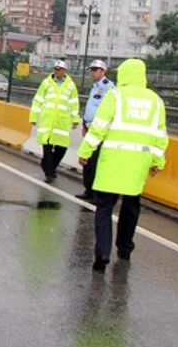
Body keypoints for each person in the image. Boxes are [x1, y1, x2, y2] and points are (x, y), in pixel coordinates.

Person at [77, 59, 168, 272]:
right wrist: (157, 162)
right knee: (130, 207)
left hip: (112, 163)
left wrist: (85, 152)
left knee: (104, 208)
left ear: (123, 74)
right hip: (137, 164)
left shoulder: (115, 96)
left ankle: (102, 253)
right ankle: (125, 248)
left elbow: (99, 128)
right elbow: (160, 136)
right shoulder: (156, 101)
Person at [29, 59, 80, 183]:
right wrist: (33, 117)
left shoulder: (70, 85)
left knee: (61, 149)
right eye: (55, 69)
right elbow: (38, 100)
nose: (57, 71)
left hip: (61, 123)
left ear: (64, 71)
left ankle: (50, 167)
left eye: (59, 69)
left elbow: (74, 103)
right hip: (47, 122)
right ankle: (50, 172)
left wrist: (75, 119)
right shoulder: (46, 83)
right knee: (47, 149)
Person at [76, 59, 116, 200]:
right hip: (90, 127)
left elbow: (107, 111)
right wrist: (84, 125)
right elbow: (90, 108)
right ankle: (88, 190)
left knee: (94, 163)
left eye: (95, 69)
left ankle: (94, 192)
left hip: (99, 130)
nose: (92, 72)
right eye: (91, 70)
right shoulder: (95, 86)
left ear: (103, 71)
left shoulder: (108, 87)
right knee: (88, 163)